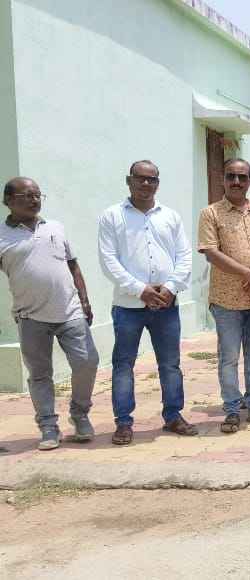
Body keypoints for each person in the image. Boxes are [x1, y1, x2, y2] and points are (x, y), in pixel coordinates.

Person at [98, 160, 195, 445]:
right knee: (123, 364)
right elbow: (108, 260)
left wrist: (171, 288)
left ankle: (173, 416)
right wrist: (139, 289)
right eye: (139, 178)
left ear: (158, 183)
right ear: (129, 181)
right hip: (128, 306)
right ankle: (123, 423)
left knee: (170, 364)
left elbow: (184, 256)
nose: (145, 183)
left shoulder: (170, 216)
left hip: (166, 305)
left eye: (151, 179)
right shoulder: (112, 216)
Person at [1, 177, 99, 450]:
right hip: (30, 316)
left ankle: (80, 414)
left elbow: (73, 265)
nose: (34, 200)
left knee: (87, 361)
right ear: (8, 200)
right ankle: (48, 426)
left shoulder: (55, 227)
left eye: (37, 195)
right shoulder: (2, 235)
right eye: (27, 195)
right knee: (40, 374)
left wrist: (85, 301)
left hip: (70, 311)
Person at [197, 158, 250, 434]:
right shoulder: (211, 213)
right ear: (223, 179)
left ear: (249, 180)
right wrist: (248, 274)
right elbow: (211, 252)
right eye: (231, 176)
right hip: (227, 299)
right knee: (229, 358)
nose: (236, 182)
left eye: (242, 177)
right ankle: (232, 410)